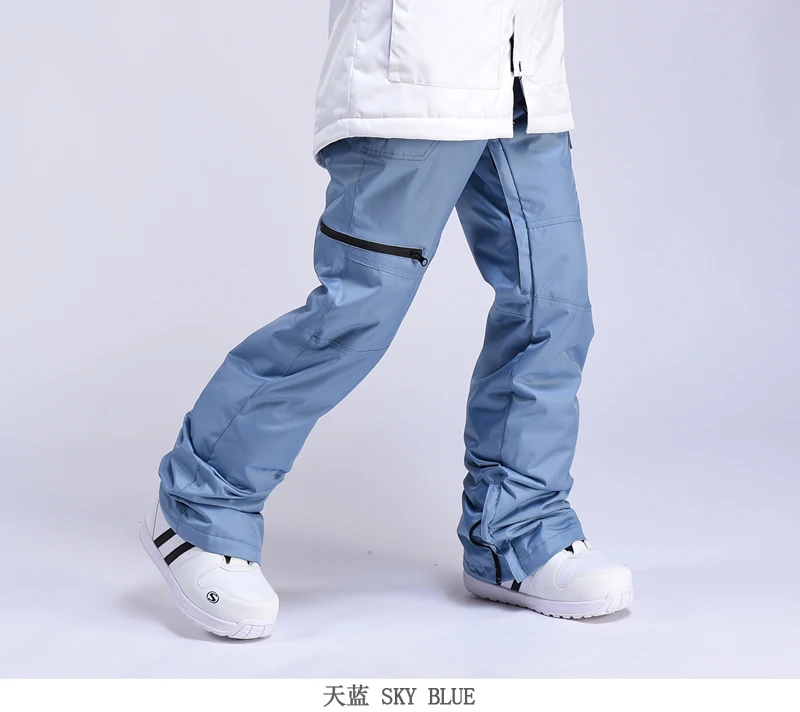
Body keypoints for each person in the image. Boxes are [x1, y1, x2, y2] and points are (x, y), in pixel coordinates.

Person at [139, 0, 633, 640]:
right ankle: (200, 504)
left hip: (524, 71)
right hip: (416, 72)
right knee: (357, 312)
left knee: (554, 307)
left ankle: (514, 534)